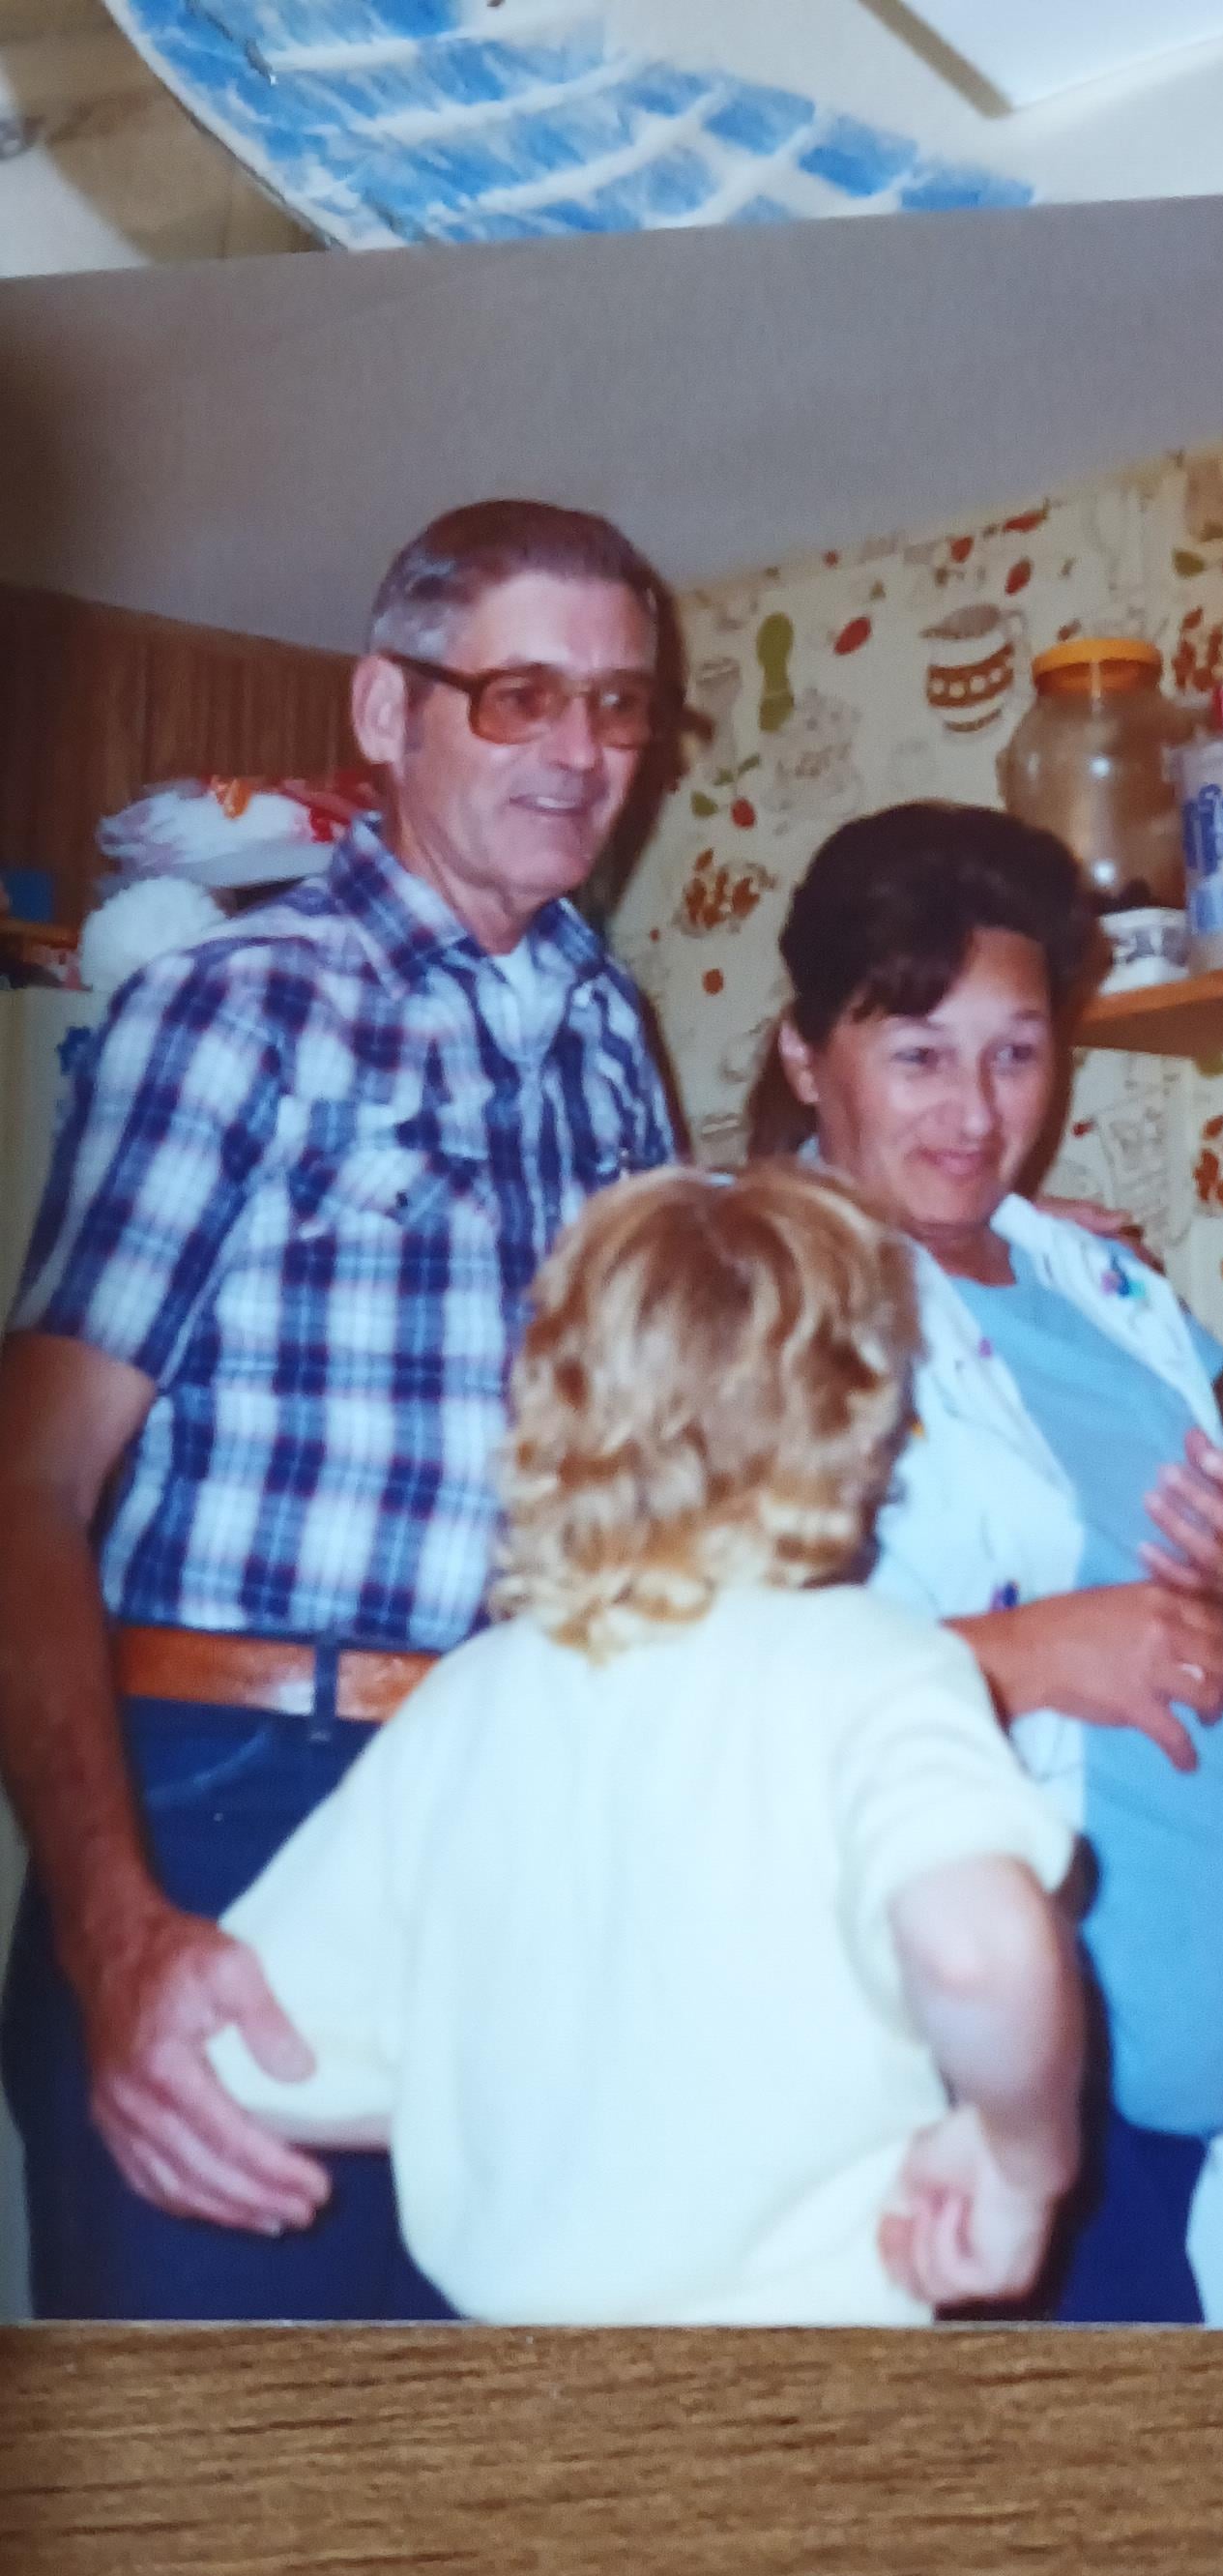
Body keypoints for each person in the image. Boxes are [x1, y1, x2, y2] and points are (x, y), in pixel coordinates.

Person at [0, 497, 680, 2319]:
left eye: (618, 705)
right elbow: (27, 1484)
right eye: (521, 695)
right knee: (218, 2469)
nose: (578, 751)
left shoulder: (612, 1041)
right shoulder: (232, 1010)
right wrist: (115, 1932)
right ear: (388, 711)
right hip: (241, 1806)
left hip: (535, 1815)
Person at [202, 1163, 1085, 2327]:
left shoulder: (467, 1700)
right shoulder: (878, 1667)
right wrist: (1024, 2159)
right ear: (863, 1413)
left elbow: (247, 2053)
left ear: (551, 1395)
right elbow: (976, 1951)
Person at [759, 799, 1223, 2325]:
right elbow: (691, 1692)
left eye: (1015, 1052)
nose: (974, 1110)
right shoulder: (754, 1306)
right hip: (943, 2075)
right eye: (918, 1054)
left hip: (1145, 2090)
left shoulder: (1106, 1290)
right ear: (808, 1057)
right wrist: (1029, 1655)